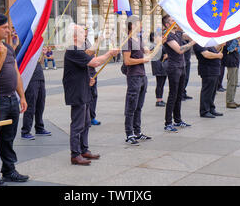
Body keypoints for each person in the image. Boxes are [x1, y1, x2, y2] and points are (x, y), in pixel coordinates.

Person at [63, 23, 118, 165]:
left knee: (86, 122)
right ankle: (75, 154)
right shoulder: (73, 49)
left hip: (84, 88)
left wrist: (89, 79)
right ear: (75, 37)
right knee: (78, 124)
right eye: (82, 32)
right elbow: (94, 62)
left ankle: (83, 150)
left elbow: (82, 68)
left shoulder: (79, 49)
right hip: (76, 91)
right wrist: (109, 53)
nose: (85, 34)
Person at [0, 14, 29, 183]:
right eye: (5, 28)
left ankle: (9, 170)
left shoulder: (8, 48)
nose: (9, 31)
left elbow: (16, 73)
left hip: (11, 100)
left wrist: (22, 96)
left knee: (8, 138)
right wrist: (0, 57)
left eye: (9, 27)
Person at [122, 16, 153, 144]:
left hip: (142, 76)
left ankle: (137, 132)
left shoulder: (138, 39)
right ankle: (129, 134)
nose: (141, 27)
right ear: (132, 25)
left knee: (139, 106)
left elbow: (146, 52)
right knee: (131, 106)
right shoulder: (127, 41)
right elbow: (127, 61)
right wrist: (143, 60)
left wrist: (152, 47)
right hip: (133, 76)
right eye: (139, 24)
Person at [162, 15, 194, 132]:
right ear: (167, 24)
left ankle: (178, 119)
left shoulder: (178, 33)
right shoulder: (168, 36)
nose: (174, 21)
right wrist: (192, 43)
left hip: (182, 67)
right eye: (171, 20)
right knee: (173, 95)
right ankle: (168, 122)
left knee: (179, 94)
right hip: (173, 67)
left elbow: (189, 35)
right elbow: (179, 49)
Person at [17, 44, 51, 141]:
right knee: (31, 105)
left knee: (41, 104)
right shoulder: (23, 45)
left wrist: (43, 54)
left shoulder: (35, 44)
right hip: (31, 79)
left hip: (40, 76)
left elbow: (39, 62)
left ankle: (39, 127)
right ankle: (25, 131)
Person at [193, 42, 224, 118]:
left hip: (214, 69)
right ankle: (204, 111)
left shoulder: (207, 42)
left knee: (212, 91)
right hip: (207, 70)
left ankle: (211, 108)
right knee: (207, 91)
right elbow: (206, 54)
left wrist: (220, 45)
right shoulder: (199, 43)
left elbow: (213, 50)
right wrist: (218, 55)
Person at [84, 28, 103, 125]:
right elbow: (88, 54)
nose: (86, 31)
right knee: (87, 95)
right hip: (86, 72)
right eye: (84, 29)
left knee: (94, 95)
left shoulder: (87, 41)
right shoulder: (78, 44)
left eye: (87, 29)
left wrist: (96, 59)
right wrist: (98, 41)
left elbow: (92, 54)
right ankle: (86, 117)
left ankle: (92, 116)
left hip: (92, 71)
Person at [222, 38, 240, 109]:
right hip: (231, 62)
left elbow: (239, 50)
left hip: (236, 61)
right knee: (231, 82)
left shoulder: (235, 40)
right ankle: (229, 101)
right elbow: (230, 49)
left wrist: (237, 47)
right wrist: (236, 41)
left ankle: (232, 100)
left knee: (235, 82)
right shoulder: (229, 39)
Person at [149, 31, 166, 107]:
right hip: (158, 66)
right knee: (159, 83)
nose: (161, 37)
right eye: (159, 36)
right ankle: (158, 100)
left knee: (162, 84)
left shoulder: (160, 45)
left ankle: (160, 99)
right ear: (154, 38)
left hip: (162, 66)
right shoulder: (153, 45)